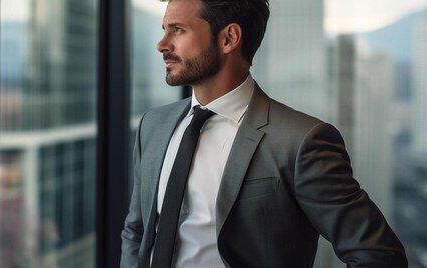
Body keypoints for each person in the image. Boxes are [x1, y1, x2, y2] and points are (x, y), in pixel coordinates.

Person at [120, 0, 408, 267]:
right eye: (164, 30)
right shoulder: (153, 125)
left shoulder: (300, 141)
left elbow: (379, 255)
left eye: (178, 30)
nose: (161, 44)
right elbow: (137, 230)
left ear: (229, 38)